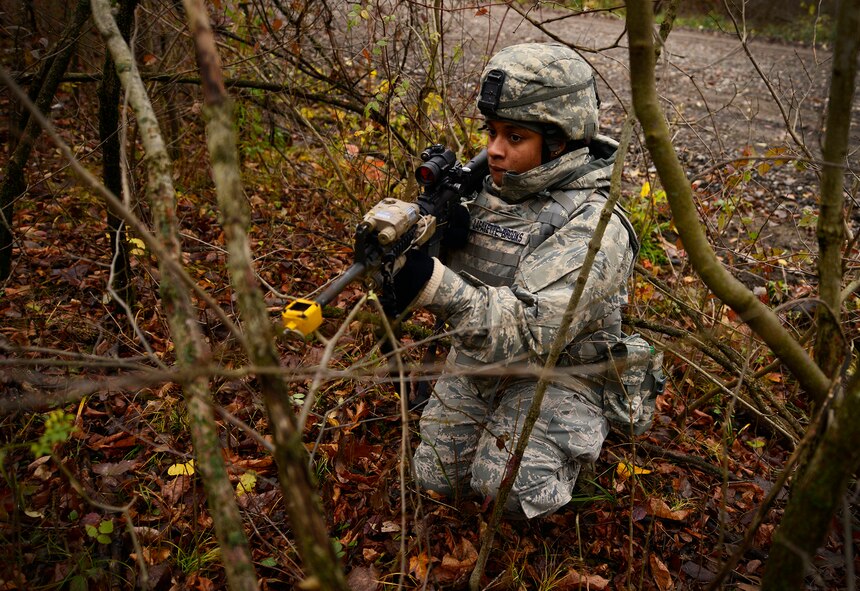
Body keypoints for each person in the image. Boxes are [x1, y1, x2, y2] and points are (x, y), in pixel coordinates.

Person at [383, 42, 656, 519]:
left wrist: (432, 284)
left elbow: (534, 332)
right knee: (436, 478)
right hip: (486, 358)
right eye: (491, 131)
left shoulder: (596, 226)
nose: (494, 149)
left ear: (560, 142)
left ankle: (577, 436)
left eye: (515, 136)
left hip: (562, 370)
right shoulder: (483, 186)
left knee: (507, 488)